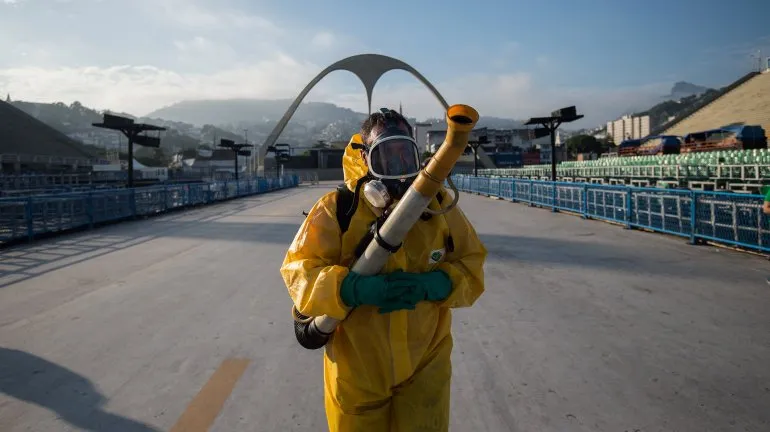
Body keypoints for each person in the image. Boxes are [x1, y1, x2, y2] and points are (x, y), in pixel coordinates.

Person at [280, 108, 487, 431]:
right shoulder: (339, 209)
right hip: (357, 372)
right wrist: (351, 288)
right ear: (366, 159)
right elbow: (298, 271)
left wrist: (437, 284)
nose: (398, 168)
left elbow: (471, 263)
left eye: (405, 155)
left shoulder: (438, 206)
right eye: (386, 157)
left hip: (426, 364)